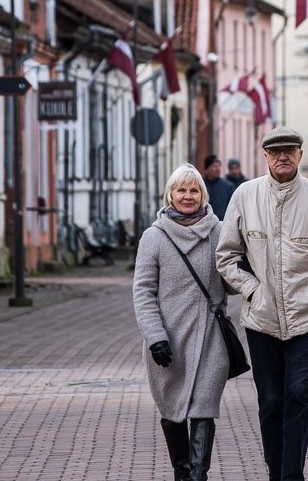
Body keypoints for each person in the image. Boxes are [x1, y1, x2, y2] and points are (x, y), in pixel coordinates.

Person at [216, 126, 308, 481]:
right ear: (265, 157)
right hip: (261, 318)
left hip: (307, 315)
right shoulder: (245, 195)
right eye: (275, 152)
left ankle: (292, 475)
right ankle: (277, 472)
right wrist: (251, 288)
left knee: (300, 396)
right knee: (272, 400)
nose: (283, 156)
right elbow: (225, 256)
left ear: (301, 154)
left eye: (289, 150)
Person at [133, 164, 230, 481]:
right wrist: (155, 336)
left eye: (194, 190)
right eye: (181, 190)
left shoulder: (219, 231)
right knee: (173, 408)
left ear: (203, 194)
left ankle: (199, 474)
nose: (187, 196)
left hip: (209, 336)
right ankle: (182, 472)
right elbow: (144, 292)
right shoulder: (154, 237)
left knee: (203, 406)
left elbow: (231, 280)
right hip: (168, 339)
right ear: (169, 195)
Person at [203, 154, 235, 220]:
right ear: (207, 168)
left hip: (223, 224)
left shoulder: (228, 186)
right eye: (214, 166)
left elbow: (233, 208)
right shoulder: (200, 185)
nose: (217, 169)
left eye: (219, 166)